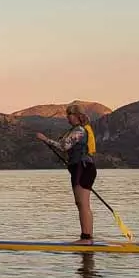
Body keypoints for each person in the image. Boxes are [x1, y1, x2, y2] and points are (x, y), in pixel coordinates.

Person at [37, 104, 97, 244]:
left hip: (83, 168)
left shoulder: (80, 131)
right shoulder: (76, 130)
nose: (67, 117)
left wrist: (45, 139)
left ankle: (86, 238)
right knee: (81, 203)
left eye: (69, 114)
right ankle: (87, 237)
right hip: (79, 168)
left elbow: (64, 146)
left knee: (83, 204)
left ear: (76, 115)